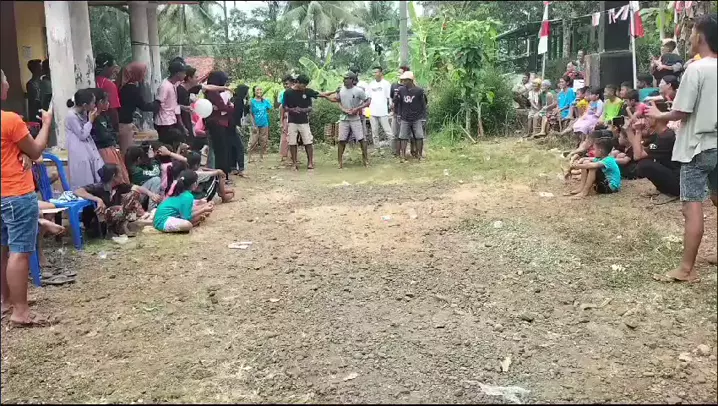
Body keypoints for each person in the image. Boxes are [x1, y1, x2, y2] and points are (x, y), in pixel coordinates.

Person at [646, 13, 717, 282]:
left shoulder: (696, 69)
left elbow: (681, 112)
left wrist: (658, 114)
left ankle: (686, 269)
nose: (689, 37)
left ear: (701, 36)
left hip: (698, 146)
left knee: (692, 206)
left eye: (692, 32)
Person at [1, 68, 56, 327]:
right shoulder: (10, 120)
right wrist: (46, 124)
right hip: (15, 193)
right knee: (19, 251)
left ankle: (5, 301)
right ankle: (20, 311)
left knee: (2, 249)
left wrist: (18, 152)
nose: (8, 85)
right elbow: (35, 151)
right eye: (5, 81)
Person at [75, 164, 157, 237]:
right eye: (120, 173)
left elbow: (137, 188)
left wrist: (151, 194)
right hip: (99, 221)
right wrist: (97, 199)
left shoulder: (121, 186)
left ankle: (122, 226)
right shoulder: (99, 187)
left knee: (133, 194)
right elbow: (78, 191)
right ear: (114, 176)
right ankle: (112, 230)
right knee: (119, 209)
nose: (122, 176)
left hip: (115, 217)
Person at [626, 113, 680, 198]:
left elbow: (637, 155)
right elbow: (639, 150)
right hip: (674, 175)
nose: (644, 120)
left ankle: (669, 191)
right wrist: (629, 130)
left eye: (647, 117)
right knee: (645, 162)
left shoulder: (666, 136)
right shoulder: (661, 134)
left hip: (678, 182)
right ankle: (665, 190)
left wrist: (638, 131)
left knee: (644, 165)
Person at [89, 88, 130, 185]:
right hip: (103, 150)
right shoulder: (93, 118)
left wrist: (112, 138)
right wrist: (110, 137)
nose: (108, 103)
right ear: (100, 102)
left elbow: (112, 130)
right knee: (113, 177)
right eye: (106, 101)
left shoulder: (105, 115)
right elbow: (101, 135)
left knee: (121, 175)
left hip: (111, 148)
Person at [66, 89, 105, 190]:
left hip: (88, 147)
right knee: (84, 177)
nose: (94, 105)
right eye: (93, 103)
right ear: (85, 105)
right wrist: (90, 121)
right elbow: (82, 134)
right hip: (79, 150)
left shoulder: (83, 112)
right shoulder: (71, 116)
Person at [283, 74, 324, 170]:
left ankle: (310, 162)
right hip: (292, 121)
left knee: (308, 141)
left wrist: (302, 110)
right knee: (292, 142)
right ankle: (294, 163)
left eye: (305, 85)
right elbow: (285, 106)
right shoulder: (288, 92)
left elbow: (310, 107)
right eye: (303, 85)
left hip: (304, 121)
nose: (304, 87)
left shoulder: (307, 92)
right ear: (297, 82)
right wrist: (292, 110)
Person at [117, 62, 158, 154]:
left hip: (121, 123)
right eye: (143, 73)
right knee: (128, 152)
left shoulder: (122, 86)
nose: (144, 75)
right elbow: (143, 106)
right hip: (125, 124)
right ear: (137, 73)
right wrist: (158, 103)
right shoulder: (131, 89)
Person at [333, 72, 371, 168]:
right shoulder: (340, 89)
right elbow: (338, 101)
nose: (344, 80)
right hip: (344, 118)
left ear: (352, 80)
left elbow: (368, 101)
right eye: (344, 78)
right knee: (341, 140)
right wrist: (343, 109)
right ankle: (339, 161)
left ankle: (365, 160)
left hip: (355, 118)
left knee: (361, 139)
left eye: (347, 78)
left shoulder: (358, 91)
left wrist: (357, 108)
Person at [204, 71, 234, 179]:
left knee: (219, 149)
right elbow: (223, 107)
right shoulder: (213, 93)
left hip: (217, 123)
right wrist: (230, 107)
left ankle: (221, 173)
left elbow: (221, 107)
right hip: (217, 124)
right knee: (220, 150)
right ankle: (221, 175)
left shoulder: (212, 92)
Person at [393, 71, 427, 162]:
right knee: (403, 137)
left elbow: (423, 104)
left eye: (405, 80)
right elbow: (397, 103)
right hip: (405, 117)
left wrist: (423, 117)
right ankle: (403, 156)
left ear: (410, 80)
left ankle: (420, 155)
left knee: (419, 136)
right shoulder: (401, 90)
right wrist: (396, 97)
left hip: (417, 117)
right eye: (402, 80)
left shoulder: (419, 91)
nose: (403, 82)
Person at [155, 60, 188, 146]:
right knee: (167, 146)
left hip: (171, 120)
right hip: (164, 122)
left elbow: (172, 104)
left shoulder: (174, 84)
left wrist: (182, 107)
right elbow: (159, 103)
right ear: (178, 73)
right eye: (183, 73)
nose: (185, 75)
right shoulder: (164, 86)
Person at [367, 66, 393, 150]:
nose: (374, 74)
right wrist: (367, 111)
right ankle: (377, 149)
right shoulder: (371, 84)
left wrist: (391, 107)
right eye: (373, 72)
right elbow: (368, 98)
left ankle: (393, 148)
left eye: (376, 72)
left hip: (383, 111)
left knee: (388, 131)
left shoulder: (386, 84)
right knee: (374, 132)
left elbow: (389, 97)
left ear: (381, 73)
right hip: (372, 111)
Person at [95, 53, 121, 132]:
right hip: (105, 127)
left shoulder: (93, 80)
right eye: (113, 67)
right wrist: (116, 130)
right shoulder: (108, 84)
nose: (113, 70)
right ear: (107, 67)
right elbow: (113, 110)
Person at [247, 86, 273, 163]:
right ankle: (249, 156)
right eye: (257, 90)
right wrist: (253, 124)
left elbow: (269, 108)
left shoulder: (265, 101)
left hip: (264, 123)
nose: (259, 91)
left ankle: (261, 156)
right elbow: (250, 114)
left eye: (260, 90)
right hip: (255, 123)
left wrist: (264, 100)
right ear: (254, 92)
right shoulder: (252, 102)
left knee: (263, 141)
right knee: (253, 140)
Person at [390, 65, 411, 155]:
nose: (398, 74)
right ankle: (395, 152)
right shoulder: (394, 85)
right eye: (398, 72)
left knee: (404, 135)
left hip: (406, 114)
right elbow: (392, 98)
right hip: (396, 112)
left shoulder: (410, 86)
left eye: (400, 73)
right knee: (394, 133)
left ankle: (404, 152)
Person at [229, 84, 249, 176]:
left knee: (233, 147)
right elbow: (236, 115)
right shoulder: (239, 101)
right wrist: (237, 126)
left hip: (229, 127)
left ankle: (233, 167)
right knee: (240, 147)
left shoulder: (233, 99)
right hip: (234, 126)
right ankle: (241, 168)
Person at [276, 76, 295, 163]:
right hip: (286, 118)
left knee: (293, 137)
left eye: (287, 84)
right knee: (284, 137)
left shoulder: (296, 93)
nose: (285, 85)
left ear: (292, 83)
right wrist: (281, 121)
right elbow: (281, 108)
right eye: (284, 84)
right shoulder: (283, 93)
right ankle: (283, 156)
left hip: (295, 118)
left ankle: (292, 156)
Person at [25, 59, 43, 124]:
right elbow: (35, 101)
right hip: (36, 115)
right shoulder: (30, 84)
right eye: (40, 67)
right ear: (35, 70)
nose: (42, 69)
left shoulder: (42, 82)